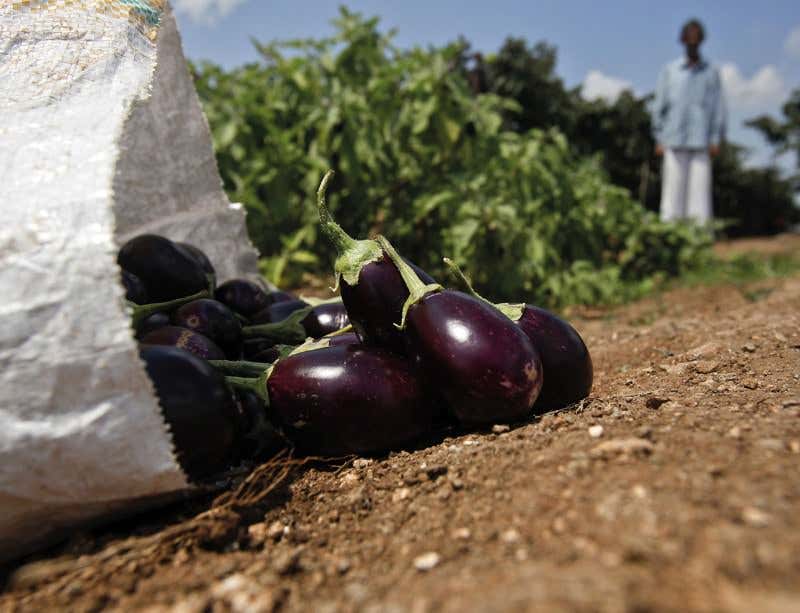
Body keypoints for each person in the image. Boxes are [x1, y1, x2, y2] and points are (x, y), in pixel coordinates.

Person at [653, 19, 727, 223]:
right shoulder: (670, 71)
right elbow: (659, 106)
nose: (693, 42)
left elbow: (718, 107)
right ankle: (670, 235)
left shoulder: (711, 72)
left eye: (696, 38)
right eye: (689, 38)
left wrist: (715, 138)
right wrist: (659, 137)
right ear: (683, 40)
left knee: (699, 196)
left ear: (701, 41)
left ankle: (699, 236)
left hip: (702, 140)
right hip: (673, 139)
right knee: (672, 195)